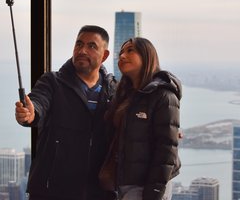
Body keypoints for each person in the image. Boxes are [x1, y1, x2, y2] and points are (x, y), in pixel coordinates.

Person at [15, 25, 117, 200]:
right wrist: (31, 114)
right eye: (79, 44)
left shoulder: (114, 90)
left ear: (105, 55)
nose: (82, 50)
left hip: (99, 192)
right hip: (52, 190)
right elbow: (39, 102)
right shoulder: (52, 82)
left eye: (91, 46)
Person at [102, 37, 182, 200]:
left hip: (146, 186)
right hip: (122, 183)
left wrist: (153, 192)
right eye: (121, 53)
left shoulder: (164, 95)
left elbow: (166, 149)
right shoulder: (124, 95)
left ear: (147, 55)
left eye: (130, 50)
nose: (122, 56)